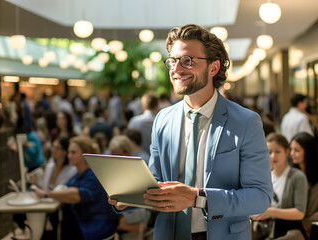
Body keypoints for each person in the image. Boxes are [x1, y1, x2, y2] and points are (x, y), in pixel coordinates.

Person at [109, 23, 272, 240]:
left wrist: (198, 198)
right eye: (173, 61)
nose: (176, 69)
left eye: (187, 61)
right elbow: (156, 182)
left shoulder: (246, 122)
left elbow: (259, 197)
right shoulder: (163, 119)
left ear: (213, 68)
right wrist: (129, 197)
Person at [35, 136, 117, 240]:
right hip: (84, 226)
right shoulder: (76, 176)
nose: (69, 156)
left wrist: (47, 194)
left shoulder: (94, 175)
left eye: (73, 152)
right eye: (69, 152)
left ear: (85, 154)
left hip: (96, 228)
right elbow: (66, 190)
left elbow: (77, 195)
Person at [252, 133, 308, 239]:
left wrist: (271, 212)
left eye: (277, 151)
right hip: (268, 231)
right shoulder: (265, 176)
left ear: (287, 152)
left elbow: (300, 213)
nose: (273, 156)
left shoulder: (298, 177)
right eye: (269, 152)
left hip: (290, 232)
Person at [290, 132, 318, 238]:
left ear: (308, 151)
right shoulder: (291, 174)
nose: (292, 153)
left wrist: (307, 223)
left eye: (296, 150)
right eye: (291, 149)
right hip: (295, 226)